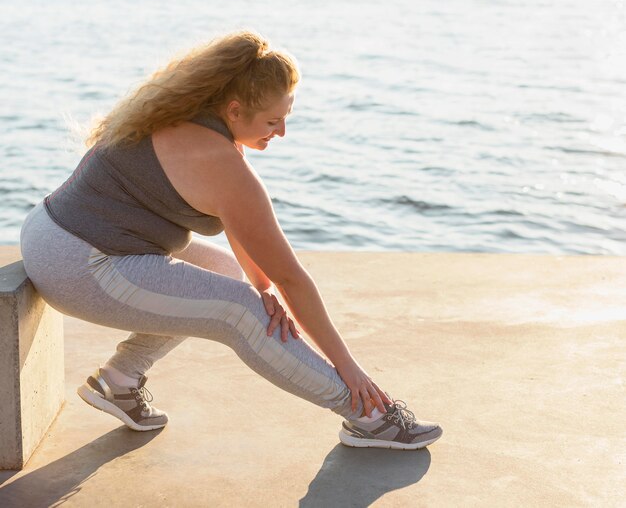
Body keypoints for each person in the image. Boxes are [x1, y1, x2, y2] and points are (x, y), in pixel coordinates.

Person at [19, 30, 442, 450]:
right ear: (235, 109)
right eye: (273, 121)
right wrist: (349, 368)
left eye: (287, 118)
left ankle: (119, 380)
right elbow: (294, 279)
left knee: (225, 270)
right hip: (82, 263)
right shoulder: (222, 164)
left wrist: (263, 286)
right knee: (238, 311)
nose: (281, 133)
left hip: (51, 231)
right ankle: (367, 415)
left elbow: (242, 232)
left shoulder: (179, 114)